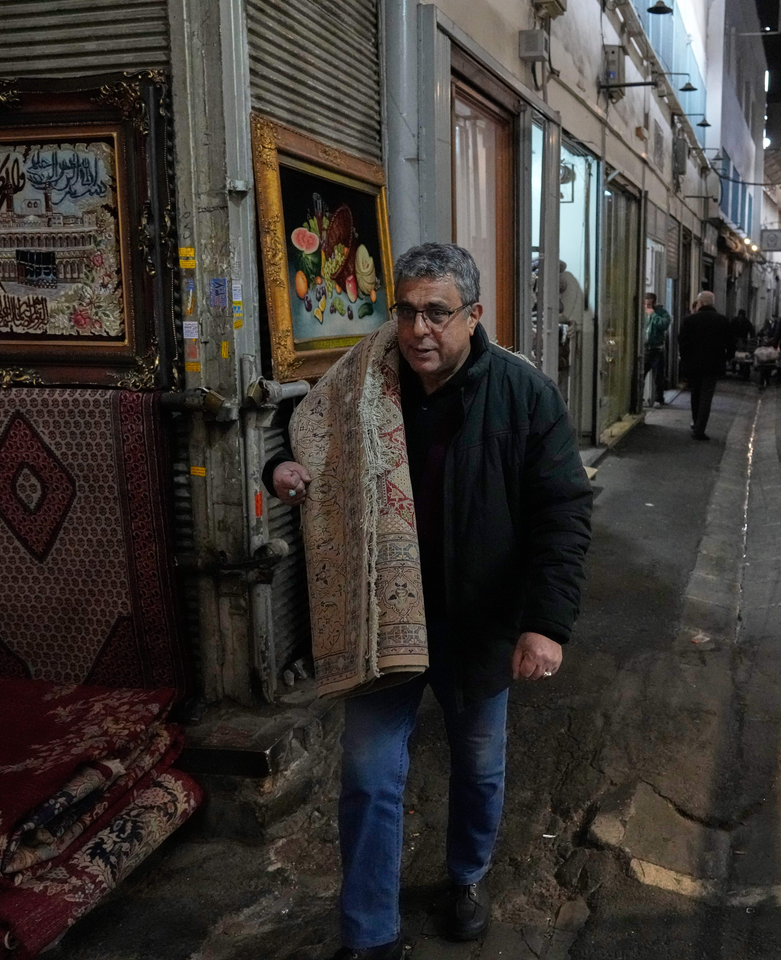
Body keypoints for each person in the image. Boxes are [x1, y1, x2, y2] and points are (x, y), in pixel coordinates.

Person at [264, 243, 593, 960]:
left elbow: (561, 511)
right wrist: (278, 467)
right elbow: (305, 433)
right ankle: (370, 934)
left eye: (437, 314)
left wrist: (545, 624)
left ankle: (465, 877)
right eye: (407, 311)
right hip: (382, 623)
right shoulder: (364, 380)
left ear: (474, 316)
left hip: (478, 626)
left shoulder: (523, 395)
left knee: (479, 768)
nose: (418, 330)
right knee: (369, 772)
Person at [677, 290, 733, 441]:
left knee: (695, 394)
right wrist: (727, 358)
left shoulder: (688, 321)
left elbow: (682, 342)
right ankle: (699, 428)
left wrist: (685, 359)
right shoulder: (722, 320)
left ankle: (696, 423)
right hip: (713, 365)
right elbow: (730, 343)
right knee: (706, 396)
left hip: (693, 365)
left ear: (700, 302)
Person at [643, 292, 672, 406]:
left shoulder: (662, 313)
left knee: (658, 376)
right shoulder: (641, 313)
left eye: (649, 304)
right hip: (644, 348)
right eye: (645, 304)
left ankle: (658, 399)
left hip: (657, 349)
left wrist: (653, 315)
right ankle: (639, 398)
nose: (647, 307)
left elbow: (664, 325)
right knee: (640, 375)